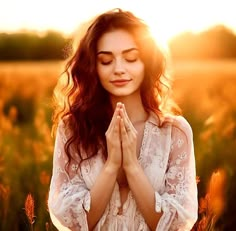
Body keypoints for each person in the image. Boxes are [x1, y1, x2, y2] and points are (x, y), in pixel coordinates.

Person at [48, 8, 198, 231]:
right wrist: (111, 166)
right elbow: (74, 223)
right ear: (92, 67)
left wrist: (132, 166)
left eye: (131, 58)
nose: (119, 69)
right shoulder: (72, 130)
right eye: (106, 61)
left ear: (146, 62)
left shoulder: (174, 132)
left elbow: (174, 225)